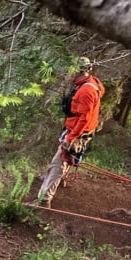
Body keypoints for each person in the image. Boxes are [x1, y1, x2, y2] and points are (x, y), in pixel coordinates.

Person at [37, 64, 105, 208]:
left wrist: (70, 138)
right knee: (67, 159)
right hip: (79, 130)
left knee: (59, 163)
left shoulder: (86, 90)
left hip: (77, 132)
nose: (69, 75)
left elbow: (84, 118)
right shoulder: (92, 82)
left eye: (71, 72)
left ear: (79, 72)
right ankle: (58, 179)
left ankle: (44, 200)